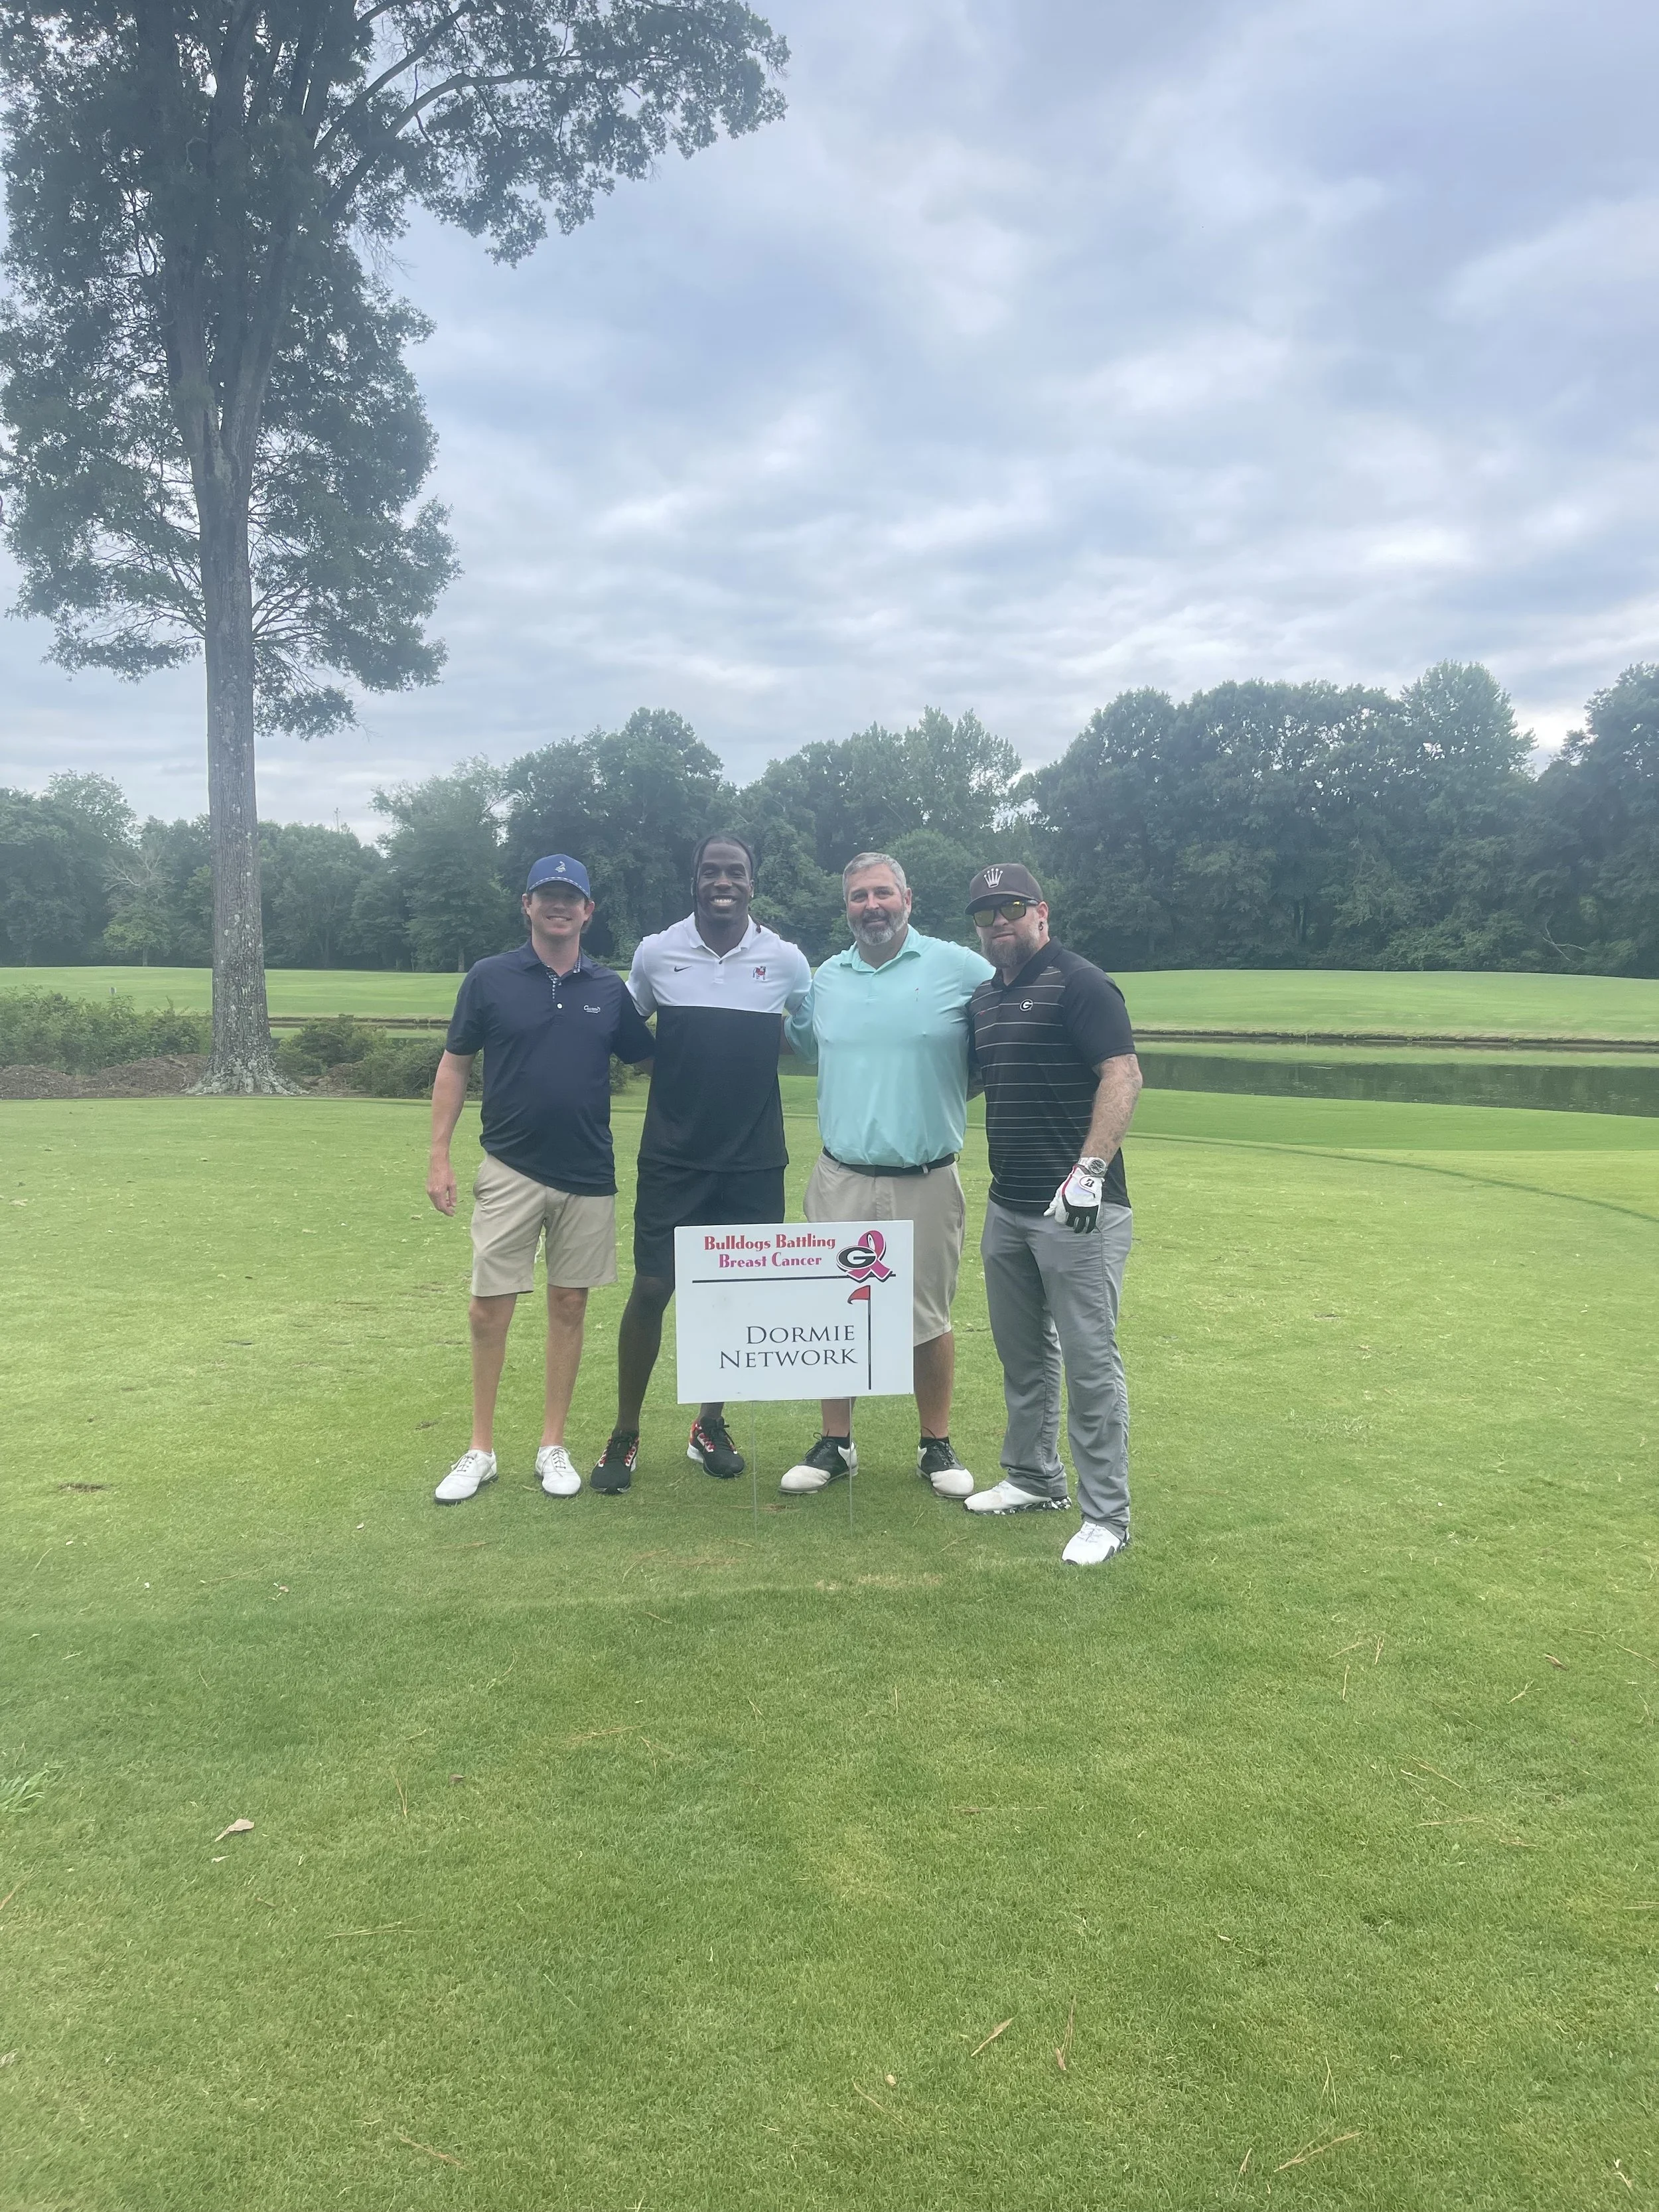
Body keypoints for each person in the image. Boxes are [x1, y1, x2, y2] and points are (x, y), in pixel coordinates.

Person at [426, 855, 656, 1504]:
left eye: (572, 897)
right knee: (487, 1309)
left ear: (588, 912)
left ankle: (551, 1445)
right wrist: (438, 1156)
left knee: (570, 1304)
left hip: (588, 1172)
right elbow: (454, 1066)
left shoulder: (608, 989)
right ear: (527, 905)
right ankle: (480, 1448)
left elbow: (651, 1063)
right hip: (509, 1166)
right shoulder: (490, 978)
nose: (560, 906)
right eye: (548, 895)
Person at [589, 834, 812, 1493]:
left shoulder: (787, 961)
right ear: (695, 881)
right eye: (712, 871)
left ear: (752, 883)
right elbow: (631, 1033)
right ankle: (625, 1432)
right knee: (654, 1287)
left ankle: (708, 1425)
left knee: (732, 1298)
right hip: (673, 1156)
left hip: (753, 1160)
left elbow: (805, 1035)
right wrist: (682, 1077)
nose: (724, 880)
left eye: (735, 872)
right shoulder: (658, 953)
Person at [777, 852, 994, 1499]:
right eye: (857, 897)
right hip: (840, 1174)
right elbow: (795, 1043)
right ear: (846, 907)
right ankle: (836, 1442)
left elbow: (1005, 1029)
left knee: (926, 1316)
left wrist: (949, 1095)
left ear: (907, 897)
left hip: (926, 1176)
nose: (871, 906)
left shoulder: (958, 967)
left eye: (882, 893)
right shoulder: (827, 980)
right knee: (834, 1311)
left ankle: (935, 1444)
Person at [960, 864, 1143, 1566]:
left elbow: (1122, 1074)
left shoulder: (1081, 982)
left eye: (1009, 908)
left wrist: (1089, 1173)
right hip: (1008, 1206)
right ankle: (1033, 1477)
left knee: (1091, 1364)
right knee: (1022, 1355)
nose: (997, 921)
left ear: (1039, 911)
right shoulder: (984, 998)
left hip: (1078, 1210)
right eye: (984, 913)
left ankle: (1108, 1516)